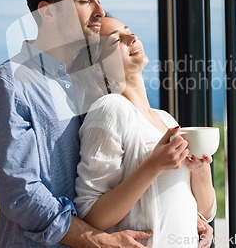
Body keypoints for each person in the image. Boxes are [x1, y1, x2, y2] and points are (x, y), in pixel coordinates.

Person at [0, 0, 153, 247]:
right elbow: (21, 195)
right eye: (85, 0)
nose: (100, 10)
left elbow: (120, 170)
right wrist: (95, 240)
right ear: (48, 13)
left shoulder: (93, 80)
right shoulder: (9, 84)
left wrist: (183, 213)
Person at [74, 15, 217, 247]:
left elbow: (206, 211)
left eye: (129, 31)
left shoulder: (165, 118)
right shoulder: (110, 108)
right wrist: (154, 165)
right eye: (115, 40)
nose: (131, 38)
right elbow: (92, 216)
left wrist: (201, 170)